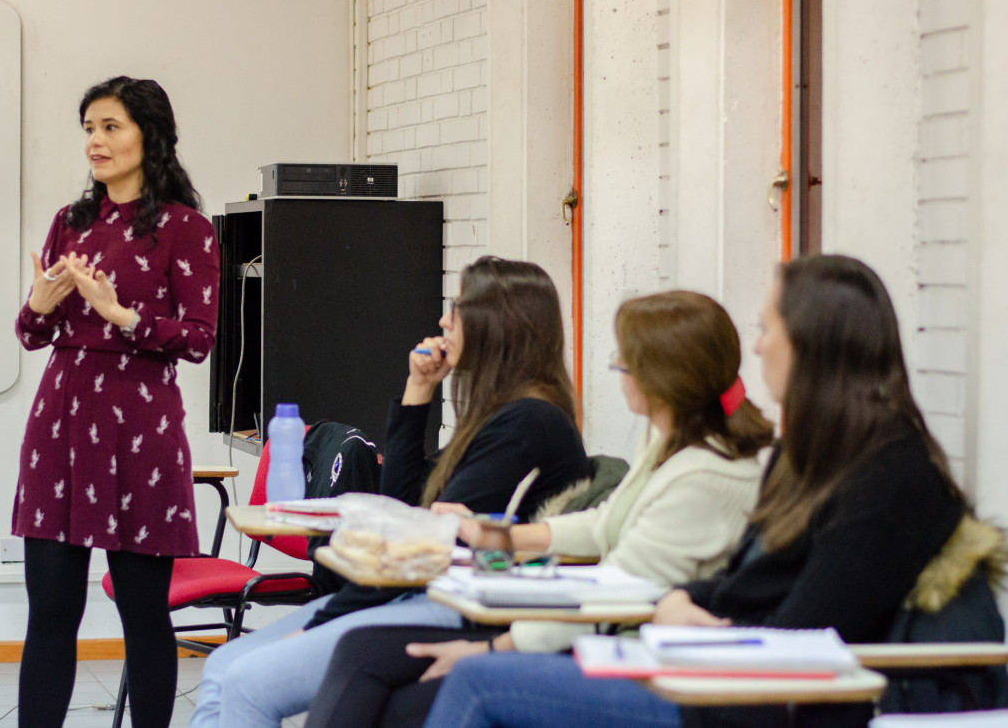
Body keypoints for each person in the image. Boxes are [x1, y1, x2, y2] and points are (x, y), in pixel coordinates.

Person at [417, 254, 969, 728]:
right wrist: (684, 603)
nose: (756, 349)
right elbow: (746, 585)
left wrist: (694, 620)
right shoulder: (812, 458)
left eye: (766, 329)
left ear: (811, 346)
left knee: (478, 684)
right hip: (711, 671)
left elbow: (804, 632)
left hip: (740, 702)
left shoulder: (886, 478)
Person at [305, 290, 776, 728]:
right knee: (361, 651)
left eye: (624, 359)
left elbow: (619, 589)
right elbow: (605, 526)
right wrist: (506, 536)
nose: (614, 363)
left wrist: (493, 649)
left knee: (408, 695)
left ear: (662, 376)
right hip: (593, 628)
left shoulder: (702, 474)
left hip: (631, 651)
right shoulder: (670, 444)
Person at [190, 256, 589, 727]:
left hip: (453, 607)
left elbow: (418, 542)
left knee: (247, 685)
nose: (444, 320)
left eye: (457, 308)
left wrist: (323, 621)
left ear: (496, 326)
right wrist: (417, 388)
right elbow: (403, 504)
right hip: (415, 596)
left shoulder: (530, 423)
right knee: (219, 668)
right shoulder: (497, 418)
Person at [12, 76, 218, 728]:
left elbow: (199, 340)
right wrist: (40, 305)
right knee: (49, 613)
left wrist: (121, 315)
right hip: (61, 418)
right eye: (89, 129)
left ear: (148, 136)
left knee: (142, 613)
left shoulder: (188, 230)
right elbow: (31, 334)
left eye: (110, 127)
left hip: (141, 426)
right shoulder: (70, 224)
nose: (95, 142)